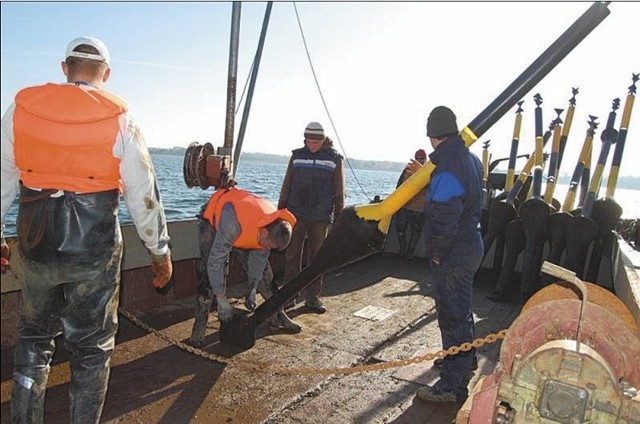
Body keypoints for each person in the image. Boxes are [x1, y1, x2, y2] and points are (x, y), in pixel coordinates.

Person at [0, 36, 173, 423]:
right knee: (92, 347)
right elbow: (144, 195)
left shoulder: (20, 110)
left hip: (36, 241)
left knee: (33, 338)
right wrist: (159, 252)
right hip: (93, 250)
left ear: (64, 68)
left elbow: (2, 180)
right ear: (106, 75)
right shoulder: (121, 119)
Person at [415, 106, 483, 403]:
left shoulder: (446, 168)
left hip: (454, 252)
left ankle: (452, 387)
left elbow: (445, 216)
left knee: (452, 316)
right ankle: (464, 360)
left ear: (432, 137)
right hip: (472, 244)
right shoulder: (470, 159)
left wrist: (438, 253)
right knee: (462, 309)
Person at [189, 186, 300, 347]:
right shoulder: (233, 224)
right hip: (213, 223)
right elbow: (216, 262)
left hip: (245, 228)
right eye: (269, 244)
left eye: (273, 247)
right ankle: (199, 327)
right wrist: (221, 299)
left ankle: (278, 315)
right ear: (264, 233)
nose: (269, 248)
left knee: (265, 277)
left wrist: (253, 286)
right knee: (207, 274)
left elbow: (259, 259)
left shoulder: (272, 226)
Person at [278, 122, 345, 314]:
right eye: (309, 141)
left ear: (323, 140)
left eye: (317, 141)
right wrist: (281, 210)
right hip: (295, 213)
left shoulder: (334, 159)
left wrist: (339, 216)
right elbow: (287, 183)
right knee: (292, 255)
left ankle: (313, 297)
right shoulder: (297, 156)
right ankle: (289, 295)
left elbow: (339, 190)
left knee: (316, 258)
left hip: (321, 215)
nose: (312, 144)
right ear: (304, 139)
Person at [394, 149, 427, 259]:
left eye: (421, 159)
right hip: (406, 205)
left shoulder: (429, 171)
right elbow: (398, 186)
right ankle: (403, 248)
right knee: (400, 228)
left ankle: (409, 253)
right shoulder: (407, 169)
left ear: (425, 159)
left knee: (416, 231)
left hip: (420, 208)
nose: (419, 161)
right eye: (417, 158)